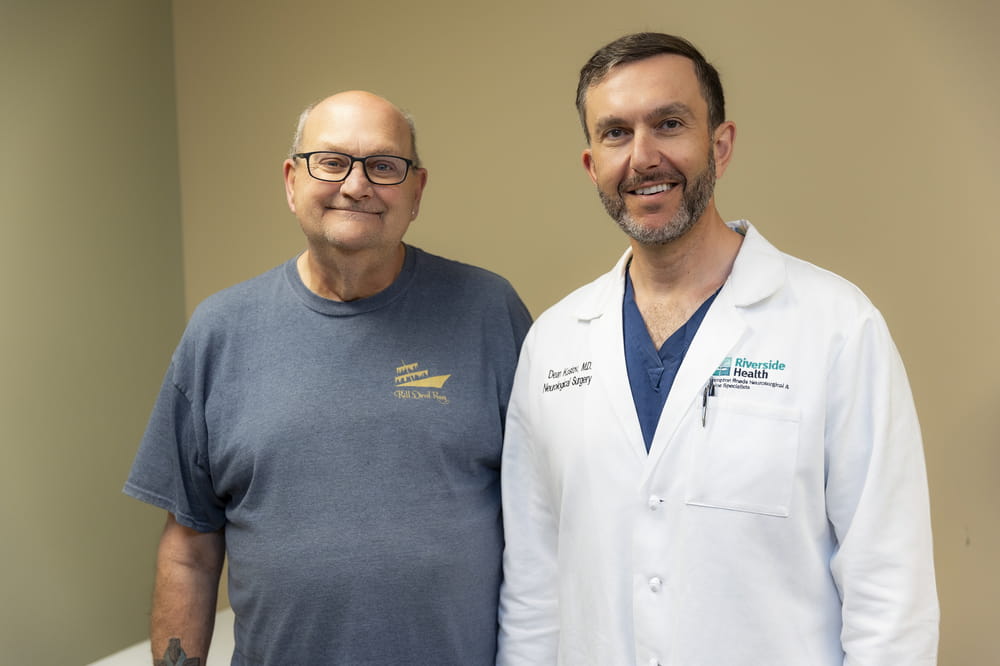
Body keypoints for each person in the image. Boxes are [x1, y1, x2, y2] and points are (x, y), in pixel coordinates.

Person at [497, 33, 938, 665]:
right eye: (616, 133)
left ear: (720, 146)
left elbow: (890, 593)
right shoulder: (554, 343)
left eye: (669, 124)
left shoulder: (837, 327)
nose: (643, 157)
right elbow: (534, 589)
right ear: (593, 165)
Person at [124, 90, 531, 665]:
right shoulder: (220, 331)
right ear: (292, 182)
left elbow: (541, 520)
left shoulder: (488, 311)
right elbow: (189, 548)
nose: (356, 185)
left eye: (384, 166)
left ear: (416, 191)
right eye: (331, 162)